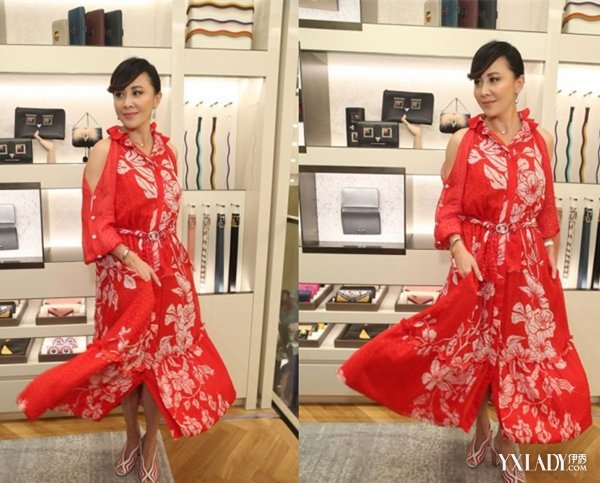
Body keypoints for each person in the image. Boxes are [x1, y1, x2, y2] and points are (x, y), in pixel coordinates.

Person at [338, 41, 592, 483]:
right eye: (478, 81)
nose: (483, 91)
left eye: (494, 79)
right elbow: (448, 208)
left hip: (528, 267)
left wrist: (550, 245)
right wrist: (457, 247)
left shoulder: (543, 141)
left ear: (519, 83)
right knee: (472, 352)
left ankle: (508, 440)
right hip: (476, 262)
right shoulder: (464, 142)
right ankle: (480, 428)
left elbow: (545, 203)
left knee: (521, 353)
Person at [17, 57, 236, 483]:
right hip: (125, 275)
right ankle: (131, 434)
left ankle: (151, 439)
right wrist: (131, 258)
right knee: (126, 363)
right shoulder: (105, 151)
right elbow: (96, 222)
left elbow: (169, 214)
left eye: (137, 92)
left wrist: (173, 262)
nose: (127, 103)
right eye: (120, 94)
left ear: (157, 98)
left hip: (169, 271)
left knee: (159, 363)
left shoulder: (170, 152)